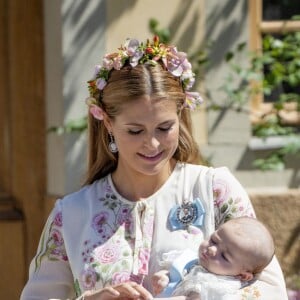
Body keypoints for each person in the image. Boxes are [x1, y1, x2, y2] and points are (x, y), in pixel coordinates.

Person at [20, 36, 288, 300]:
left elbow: (270, 290)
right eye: (135, 131)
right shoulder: (72, 214)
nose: (152, 144)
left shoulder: (215, 190)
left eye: (164, 127)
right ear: (108, 123)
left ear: (181, 115)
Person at [152, 217, 275, 299]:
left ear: (242, 275)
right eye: (214, 240)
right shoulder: (192, 260)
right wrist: (165, 277)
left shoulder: (223, 288)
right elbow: (177, 272)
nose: (212, 249)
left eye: (224, 256)